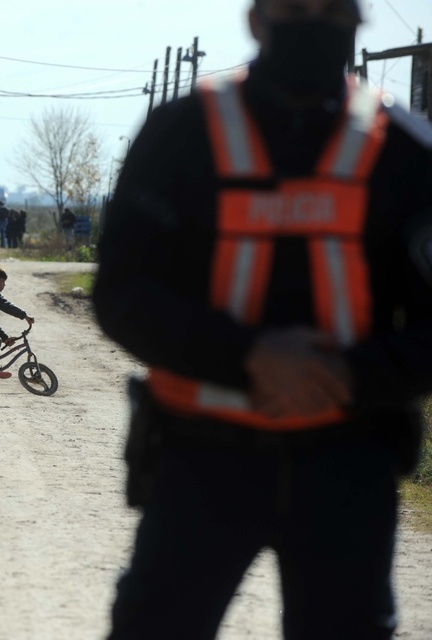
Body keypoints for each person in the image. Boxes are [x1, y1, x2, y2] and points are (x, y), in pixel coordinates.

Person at [93, 0, 432, 638]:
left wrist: (349, 375)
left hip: (347, 466)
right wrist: (249, 355)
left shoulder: (407, 154)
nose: (312, 22)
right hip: (199, 459)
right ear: (256, 19)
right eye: (293, 8)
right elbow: (122, 292)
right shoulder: (180, 134)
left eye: (329, 10)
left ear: (359, 21)